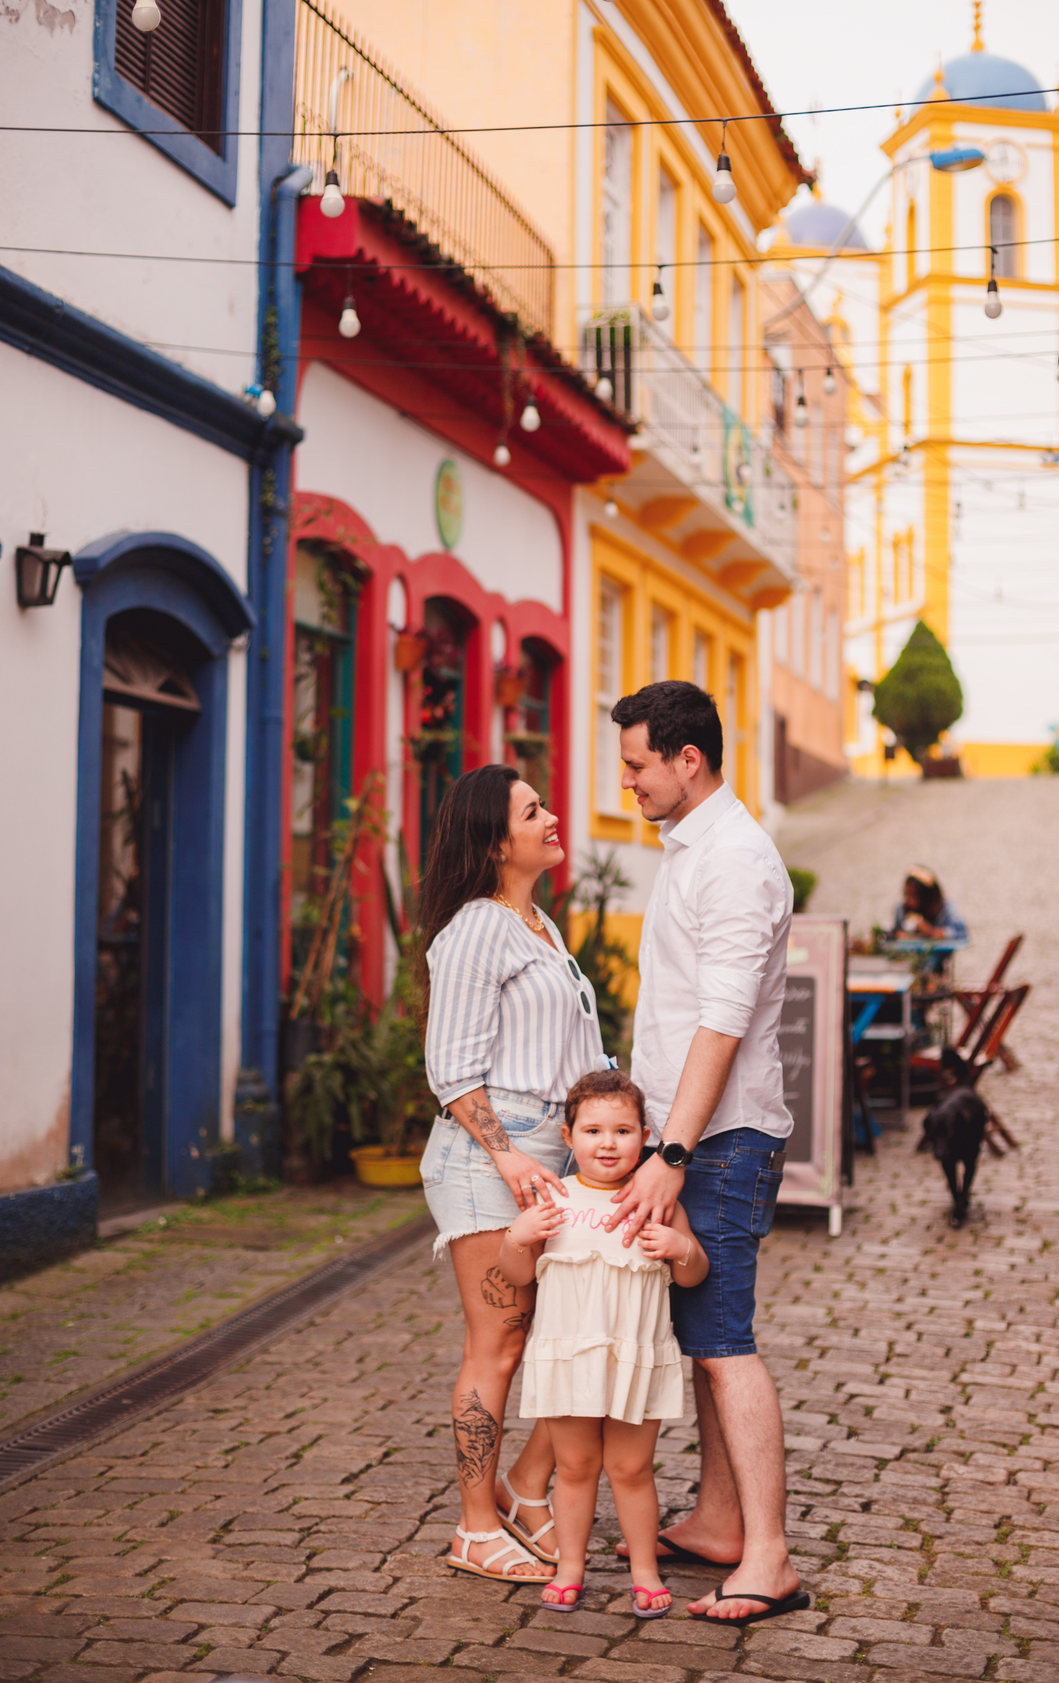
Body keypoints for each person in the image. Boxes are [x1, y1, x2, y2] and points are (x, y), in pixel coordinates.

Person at [604, 679, 812, 1627]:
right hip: (696, 1133)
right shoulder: (693, 847)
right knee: (703, 1339)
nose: (628, 782)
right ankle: (723, 1522)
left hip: (721, 1139)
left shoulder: (733, 860)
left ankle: (770, 1557)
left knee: (726, 1343)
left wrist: (673, 1151)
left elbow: (722, 1020)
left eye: (637, 764)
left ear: (688, 760)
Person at [419, 764, 605, 1582]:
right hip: (489, 1155)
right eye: (533, 812)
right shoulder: (475, 930)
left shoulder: (539, 926)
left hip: (551, 1150)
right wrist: (508, 1154)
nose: (552, 817)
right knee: (496, 1344)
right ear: (496, 843)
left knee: (565, 1331)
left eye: (545, 806)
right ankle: (475, 1528)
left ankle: (526, 1488)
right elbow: (452, 1071)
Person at [497, 1070, 707, 1617]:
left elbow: (692, 1275)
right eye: (593, 1131)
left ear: (645, 1137)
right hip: (569, 1358)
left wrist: (680, 1247)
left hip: (634, 1359)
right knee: (574, 1467)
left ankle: (645, 1571)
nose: (608, 1143)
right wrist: (518, 1238)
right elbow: (518, 1274)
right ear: (569, 1137)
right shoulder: (554, 1199)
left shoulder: (657, 1202)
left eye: (622, 1131)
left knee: (632, 1470)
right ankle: (570, 1567)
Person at [891, 865, 967, 944]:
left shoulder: (946, 908)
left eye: (915, 896)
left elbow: (961, 934)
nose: (910, 901)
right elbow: (895, 933)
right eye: (907, 895)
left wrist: (931, 932)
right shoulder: (901, 909)